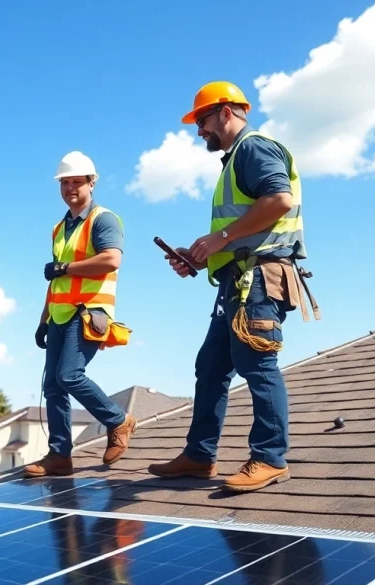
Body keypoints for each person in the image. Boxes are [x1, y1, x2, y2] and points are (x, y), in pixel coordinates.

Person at [148, 81, 314, 492]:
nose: (199, 130)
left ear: (225, 112)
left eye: (201, 120)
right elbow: (240, 229)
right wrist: (200, 255)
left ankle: (269, 458)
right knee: (211, 367)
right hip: (237, 282)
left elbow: (279, 199)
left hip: (258, 280)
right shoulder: (235, 159)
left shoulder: (254, 148)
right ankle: (199, 456)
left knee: (258, 366)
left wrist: (220, 240)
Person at [24, 151, 136, 478]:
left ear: (91, 183)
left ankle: (119, 420)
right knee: (53, 386)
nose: (71, 187)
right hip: (59, 314)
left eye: (77, 181)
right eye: (65, 182)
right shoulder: (60, 229)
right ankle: (60, 455)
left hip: (89, 312)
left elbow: (112, 259)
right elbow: (56, 279)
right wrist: (43, 319)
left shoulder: (103, 219)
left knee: (70, 375)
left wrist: (67, 266)